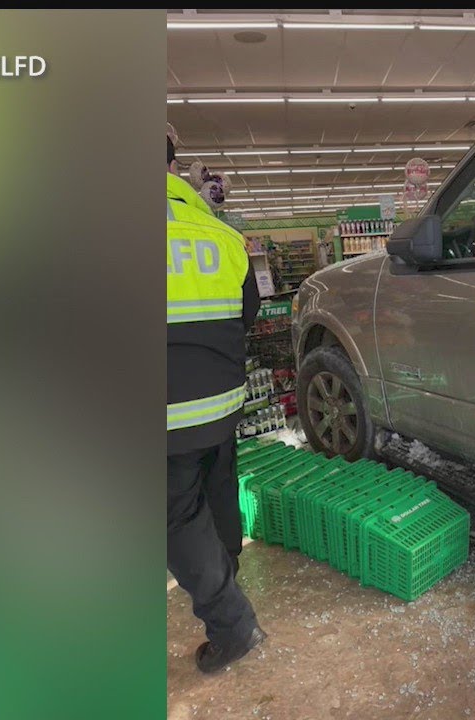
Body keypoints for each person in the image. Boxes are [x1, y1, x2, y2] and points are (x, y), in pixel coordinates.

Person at [165, 123, 265, 673]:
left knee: (173, 516)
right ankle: (224, 567)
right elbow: (245, 314)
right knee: (216, 489)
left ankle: (234, 626)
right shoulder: (221, 236)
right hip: (222, 402)